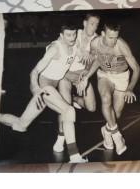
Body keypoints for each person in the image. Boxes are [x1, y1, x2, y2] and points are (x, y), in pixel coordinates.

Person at [0, 23, 87, 163]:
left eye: (74, 34)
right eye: (68, 35)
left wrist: (83, 57)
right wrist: (36, 87)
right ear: (61, 35)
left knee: (21, 125)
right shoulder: (55, 48)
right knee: (68, 110)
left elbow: (79, 51)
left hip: (53, 85)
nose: (72, 37)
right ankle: (74, 156)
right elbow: (34, 71)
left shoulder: (75, 42)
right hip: (43, 85)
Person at [77, 21, 140, 155]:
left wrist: (130, 88)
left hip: (122, 77)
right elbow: (96, 60)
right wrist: (87, 75)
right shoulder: (95, 43)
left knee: (115, 115)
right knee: (106, 99)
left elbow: (136, 69)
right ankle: (117, 137)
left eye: (116, 37)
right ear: (103, 34)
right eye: (110, 37)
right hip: (104, 75)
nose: (113, 40)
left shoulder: (121, 45)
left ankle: (107, 130)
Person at [53, 13, 100, 153]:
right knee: (64, 107)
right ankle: (60, 137)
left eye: (97, 24)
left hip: (81, 75)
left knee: (91, 107)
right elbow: (59, 45)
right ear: (84, 23)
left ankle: (75, 99)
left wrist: (85, 76)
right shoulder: (74, 34)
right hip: (66, 75)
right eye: (92, 23)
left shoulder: (96, 39)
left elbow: (97, 61)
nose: (94, 27)